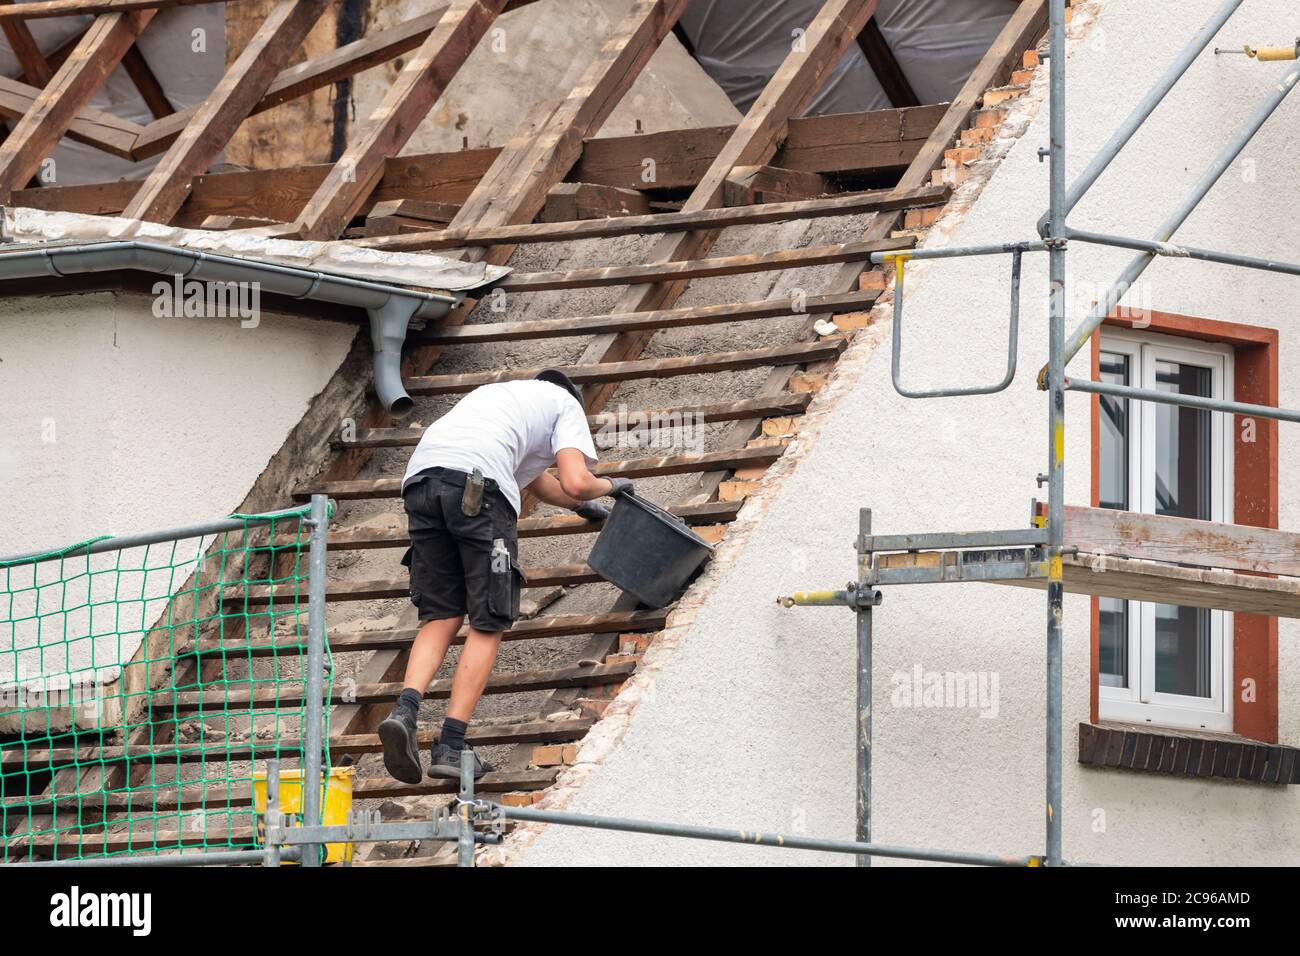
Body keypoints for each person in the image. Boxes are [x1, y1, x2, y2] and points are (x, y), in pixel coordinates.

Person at [378, 369, 632, 783]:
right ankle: (451, 743)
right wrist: (614, 485)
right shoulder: (566, 405)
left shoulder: (499, 399)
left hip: (422, 483)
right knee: (489, 618)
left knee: (441, 614)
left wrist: (583, 508)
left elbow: (547, 486)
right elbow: (576, 480)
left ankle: (404, 712)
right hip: (478, 489)